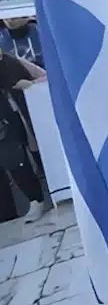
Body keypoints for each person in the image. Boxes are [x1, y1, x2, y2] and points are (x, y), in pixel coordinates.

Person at [0, 51, 46, 223]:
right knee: (15, 160)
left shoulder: (9, 61)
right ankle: (35, 200)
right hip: (5, 122)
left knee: (36, 153)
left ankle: (46, 197)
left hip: (24, 112)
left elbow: (35, 77)